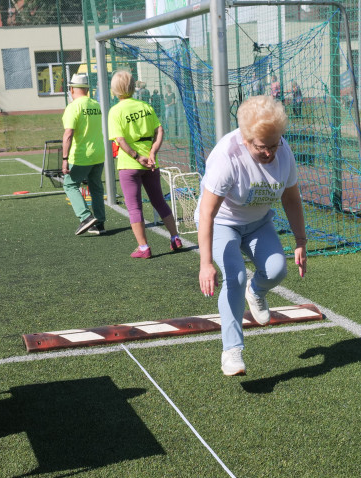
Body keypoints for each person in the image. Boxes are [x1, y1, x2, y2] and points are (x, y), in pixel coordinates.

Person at [196, 95, 308, 377]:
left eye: (274, 144)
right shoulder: (226, 157)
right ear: (246, 139)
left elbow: (292, 198)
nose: (270, 153)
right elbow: (208, 213)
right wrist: (205, 263)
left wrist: (300, 241)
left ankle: (256, 292)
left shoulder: (283, 151)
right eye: (262, 147)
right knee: (234, 277)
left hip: (258, 222)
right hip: (223, 222)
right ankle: (232, 351)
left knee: (276, 270)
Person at [107, 69, 184, 259]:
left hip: (129, 163)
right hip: (150, 162)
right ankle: (175, 237)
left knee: (134, 207)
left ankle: (144, 248)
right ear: (133, 87)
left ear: (115, 90)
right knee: (159, 201)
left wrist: (135, 156)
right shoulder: (144, 106)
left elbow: (120, 139)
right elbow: (160, 130)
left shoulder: (115, 110)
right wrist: (152, 152)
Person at [60, 73, 105, 234]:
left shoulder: (73, 107)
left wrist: (64, 159)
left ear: (71, 89)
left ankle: (86, 218)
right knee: (96, 187)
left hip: (81, 156)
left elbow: (68, 134)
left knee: (70, 184)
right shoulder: (96, 104)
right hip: (99, 153)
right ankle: (99, 222)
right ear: (87, 89)